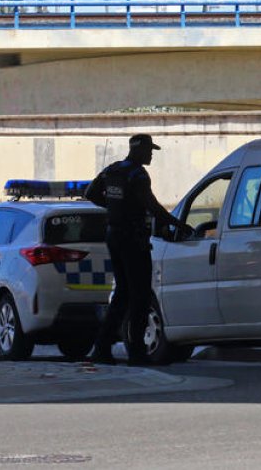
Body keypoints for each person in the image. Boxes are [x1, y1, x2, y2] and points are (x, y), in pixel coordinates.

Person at [85, 133, 184, 365]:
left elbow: (90, 193)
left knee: (122, 293)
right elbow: (153, 206)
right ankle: (137, 352)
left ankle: (102, 347)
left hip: (114, 235)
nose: (151, 155)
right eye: (149, 150)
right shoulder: (138, 175)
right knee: (139, 295)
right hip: (133, 239)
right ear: (139, 150)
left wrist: (113, 207)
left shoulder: (112, 170)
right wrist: (177, 222)